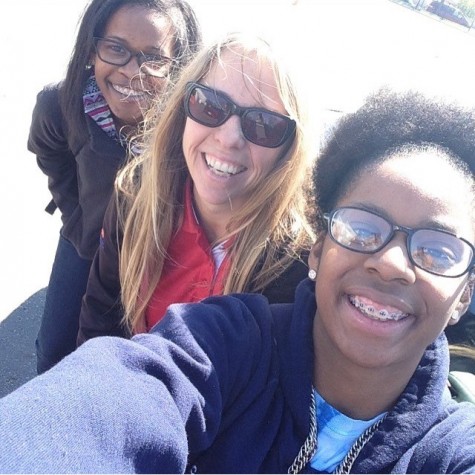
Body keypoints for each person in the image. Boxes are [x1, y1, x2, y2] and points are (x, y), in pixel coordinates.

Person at [2, 87, 475, 474]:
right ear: (319, 247)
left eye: (438, 249)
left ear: (464, 295)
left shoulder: (452, 449)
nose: (391, 263)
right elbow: (104, 405)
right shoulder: (219, 347)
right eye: (361, 228)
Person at [77, 32, 315, 343]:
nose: (229, 138)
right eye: (210, 105)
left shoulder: (295, 264)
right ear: (182, 110)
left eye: (264, 124)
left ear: (289, 150)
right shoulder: (137, 198)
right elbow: (101, 313)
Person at [29, 0, 202, 373]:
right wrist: (76, 215)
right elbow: (49, 150)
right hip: (87, 242)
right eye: (116, 48)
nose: (131, 73)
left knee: (127, 359)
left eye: (154, 58)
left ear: (180, 67)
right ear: (93, 49)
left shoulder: (191, 129)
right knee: (55, 349)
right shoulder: (63, 105)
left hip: (153, 257)